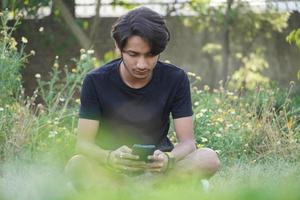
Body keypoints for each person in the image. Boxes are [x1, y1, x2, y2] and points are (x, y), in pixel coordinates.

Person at [65, 6, 220, 191]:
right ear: (118, 47)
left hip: (157, 168)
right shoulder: (96, 80)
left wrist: (168, 159)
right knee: (77, 165)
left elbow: (188, 142)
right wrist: (109, 157)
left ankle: (131, 191)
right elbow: (83, 144)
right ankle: (157, 189)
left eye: (150, 55)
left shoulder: (175, 78)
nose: (142, 64)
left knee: (208, 158)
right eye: (133, 54)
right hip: (112, 167)